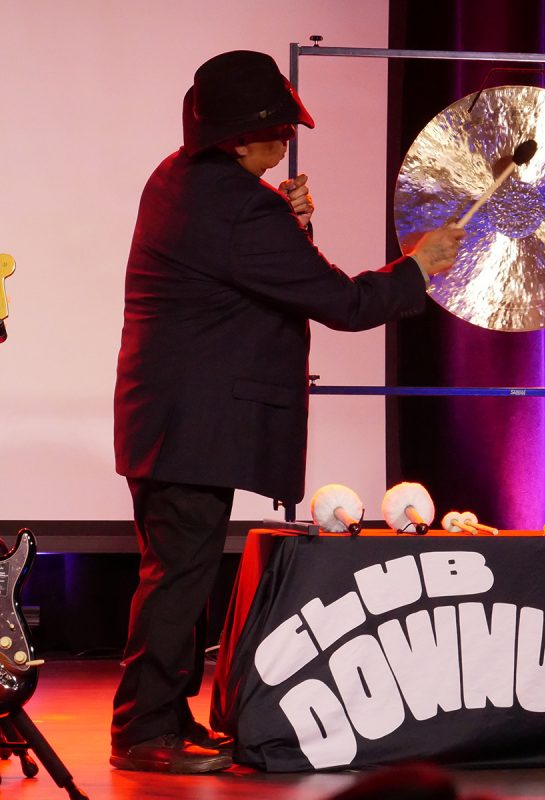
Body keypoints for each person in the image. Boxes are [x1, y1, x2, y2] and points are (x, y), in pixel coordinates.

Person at [109, 50, 464, 774]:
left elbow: (251, 270)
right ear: (239, 138)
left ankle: (160, 719)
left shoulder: (179, 178)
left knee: (176, 572)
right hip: (189, 423)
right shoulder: (241, 206)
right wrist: (420, 266)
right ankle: (146, 734)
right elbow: (344, 303)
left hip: (167, 416)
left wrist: (285, 220)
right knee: (177, 577)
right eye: (275, 134)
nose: (284, 147)